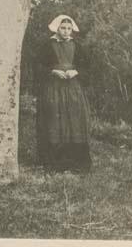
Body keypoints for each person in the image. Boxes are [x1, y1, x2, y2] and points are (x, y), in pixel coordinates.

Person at [35, 14, 91, 173]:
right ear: (56, 28)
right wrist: (52, 71)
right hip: (54, 89)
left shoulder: (77, 46)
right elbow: (37, 66)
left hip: (73, 89)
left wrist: (76, 72)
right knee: (54, 121)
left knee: (74, 120)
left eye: (69, 28)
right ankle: (54, 162)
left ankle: (75, 161)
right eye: (63, 28)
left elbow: (88, 67)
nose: (66, 32)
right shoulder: (47, 46)